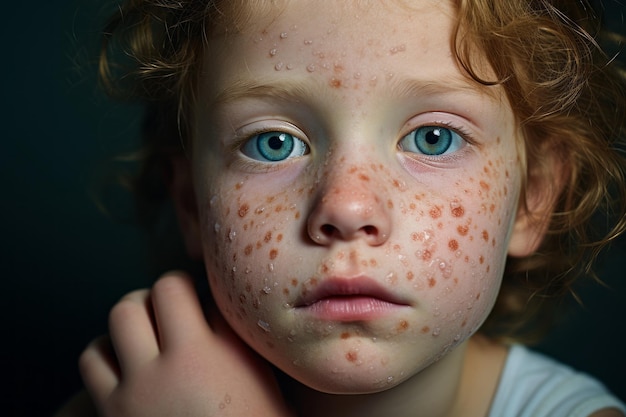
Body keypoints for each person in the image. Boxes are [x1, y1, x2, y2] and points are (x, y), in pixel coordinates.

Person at [57, 0, 626, 416]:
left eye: (433, 137)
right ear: (190, 205)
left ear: (533, 198)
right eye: (272, 142)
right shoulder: (130, 398)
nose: (348, 207)